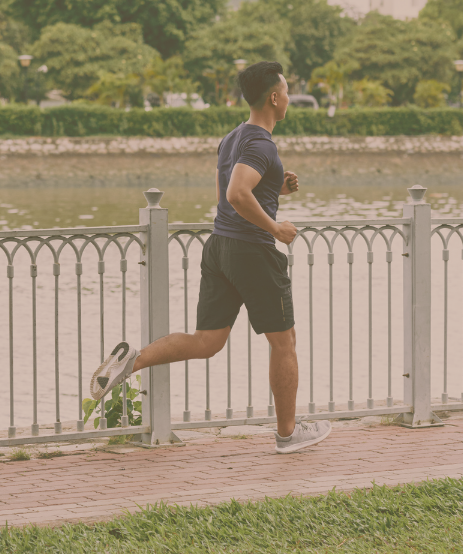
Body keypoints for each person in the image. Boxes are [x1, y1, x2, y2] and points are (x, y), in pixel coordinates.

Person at [89, 61, 330, 454]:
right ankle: (288, 434)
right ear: (274, 97)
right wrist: (276, 227)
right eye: (286, 91)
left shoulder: (232, 138)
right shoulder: (262, 143)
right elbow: (237, 195)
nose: (288, 98)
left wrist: (274, 189)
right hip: (253, 250)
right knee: (284, 342)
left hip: (220, 248)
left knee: (206, 341)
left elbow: (228, 199)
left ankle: (133, 361)